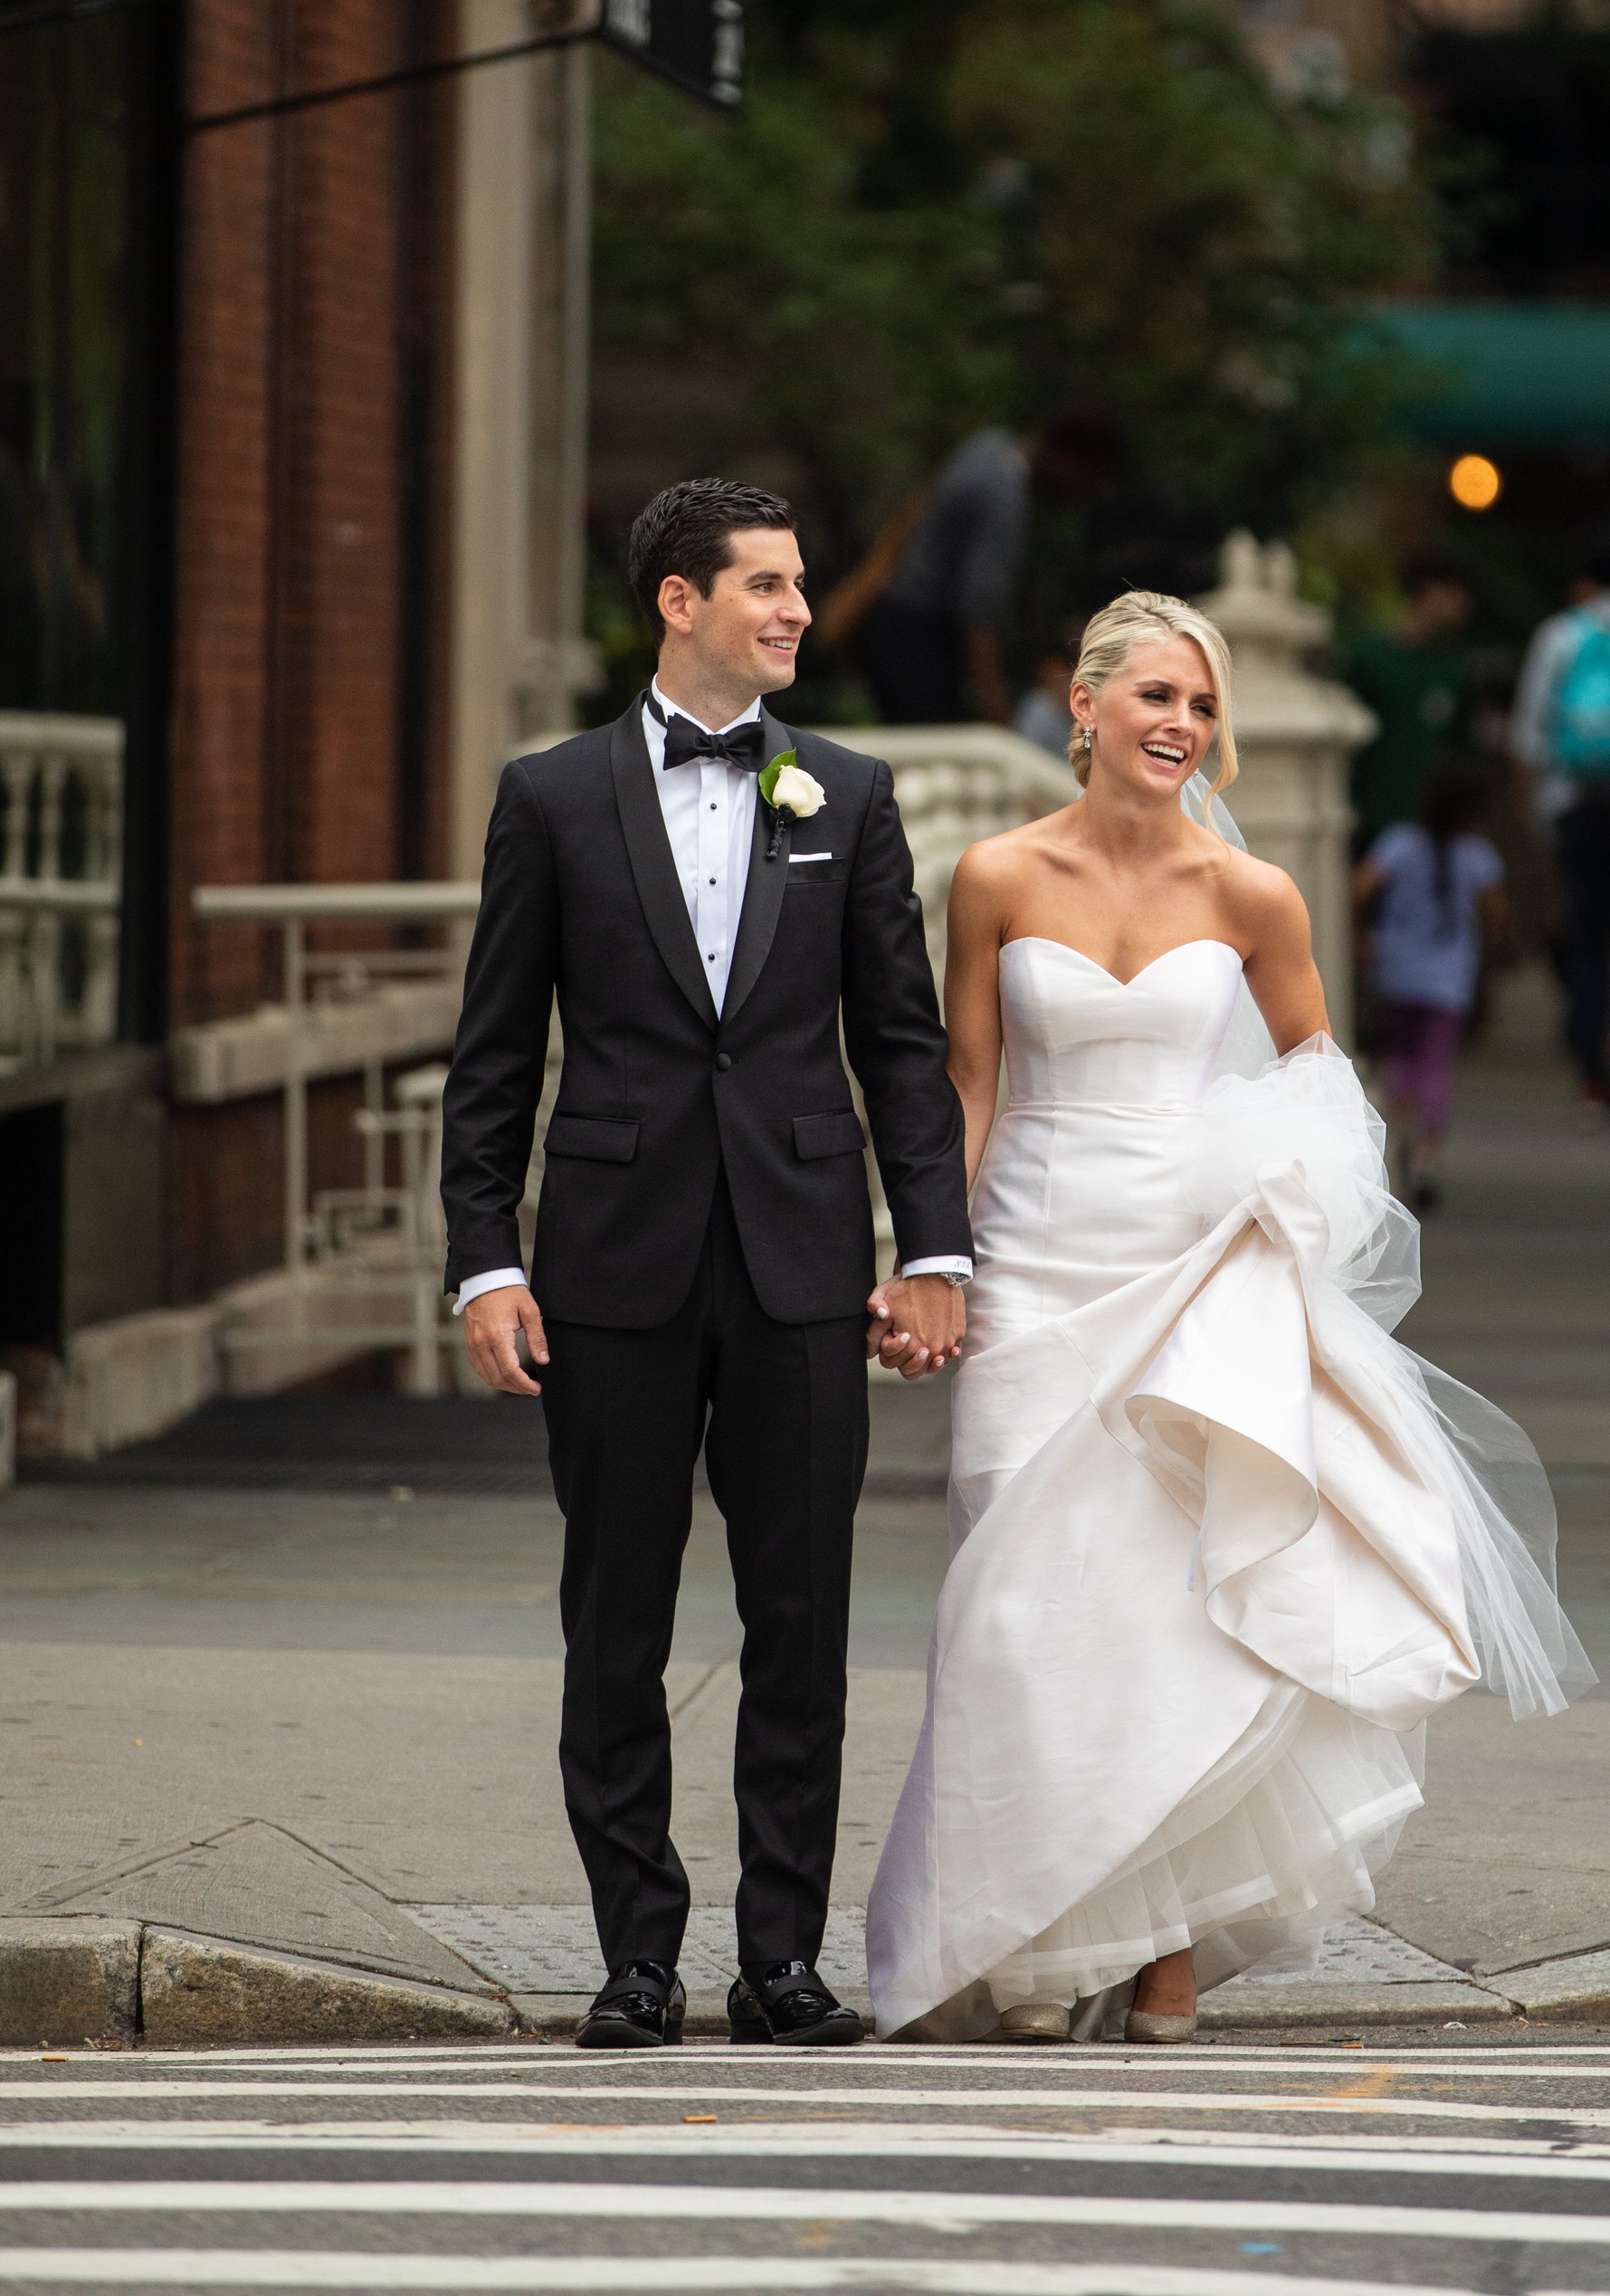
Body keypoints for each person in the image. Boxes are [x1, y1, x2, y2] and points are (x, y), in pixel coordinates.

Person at [865, 591, 1588, 2044]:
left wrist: (1282, 1190)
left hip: (1196, 1268)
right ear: (1085, 707)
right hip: (1036, 1263)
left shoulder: (1253, 897)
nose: (1179, 726)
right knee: (1015, 1608)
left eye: (1200, 703)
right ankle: (1034, 1931)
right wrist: (926, 1255)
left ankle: (1170, 1944)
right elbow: (967, 1079)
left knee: (1174, 1609)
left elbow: (1325, 1082)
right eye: (1153, 697)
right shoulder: (998, 874)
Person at [439, 477, 972, 2054]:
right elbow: (491, 1057)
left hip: (807, 1269)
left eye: (799, 585)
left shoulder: (853, 797)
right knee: (615, 1619)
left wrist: (932, 1250)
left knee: (799, 1622)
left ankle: (782, 1959)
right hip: (608, 1269)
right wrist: (485, 1261)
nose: (800, 610)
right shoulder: (548, 797)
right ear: (681, 602)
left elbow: (903, 1046)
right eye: (768, 586)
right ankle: (637, 1959)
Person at [1510, 535, 1610, 1110]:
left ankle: (1594, 1078)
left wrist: (1535, 819)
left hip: (1572, 803)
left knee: (1587, 938)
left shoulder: (1559, 634)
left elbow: (1529, 735)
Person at [856, 413, 1126, 728]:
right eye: (1088, 478)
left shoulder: (989, 444)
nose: (1082, 493)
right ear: (1068, 458)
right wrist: (1000, 719)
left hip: (893, 622)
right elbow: (977, 621)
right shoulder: (1004, 499)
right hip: (917, 638)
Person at [1351, 756, 1510, 1215]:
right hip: (1449, 977)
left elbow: (1361, 887)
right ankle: (1428, 1153)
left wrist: (1366, 933)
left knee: (1400, 1054)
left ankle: (1399, 1132)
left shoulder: (1400, 843)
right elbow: (1496, 914)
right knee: (1435, 1065)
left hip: (1397, 968)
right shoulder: (1477, 856)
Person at [1344, 552, 1480, 844]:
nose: (1464, 603)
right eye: (1456, 592)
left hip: (1441, 828)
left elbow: (1463, 747)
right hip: (1378, 819)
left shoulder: (1454, 667)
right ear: (1428, 590)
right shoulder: (1370, 659)